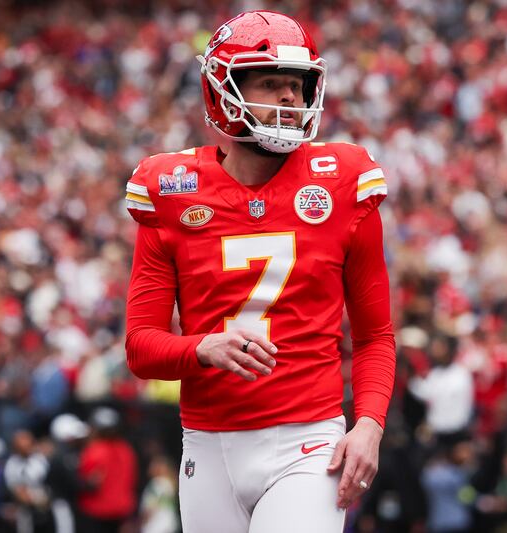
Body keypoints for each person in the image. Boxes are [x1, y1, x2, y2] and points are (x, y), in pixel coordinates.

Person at [124, 10, 396, 533]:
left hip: (307, 441)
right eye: (272, 84)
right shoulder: (172, 190)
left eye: (297, 85)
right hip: (206, 444)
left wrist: (369, 423)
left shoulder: (342, 182)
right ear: (223, 92)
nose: (292, 99)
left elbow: (375, 334)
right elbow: (141, 347)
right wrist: (201, 348)